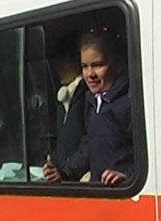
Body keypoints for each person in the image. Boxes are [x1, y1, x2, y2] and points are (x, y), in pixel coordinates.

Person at [44, 31, 133, 186]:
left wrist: (129, 175)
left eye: (98, 65)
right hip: (99, 192)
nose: (90, 74)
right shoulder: (91, 100)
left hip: (125, 193)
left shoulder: (131, 100)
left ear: (117, 63)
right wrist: (64, 174)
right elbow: (89, 145)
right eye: (84, 67)